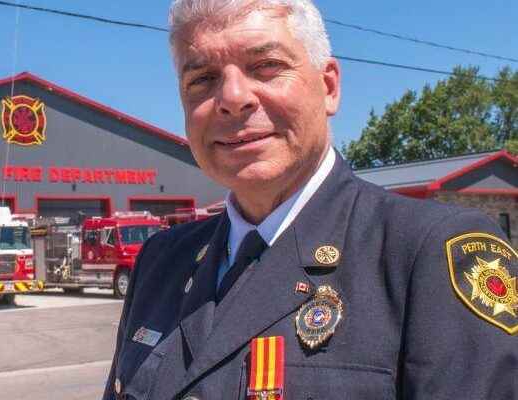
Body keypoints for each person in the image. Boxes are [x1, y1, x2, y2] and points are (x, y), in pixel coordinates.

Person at [104, 0, 518, 399]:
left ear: (329, 87)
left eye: (266, 67)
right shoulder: (161, 260)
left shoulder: (426, 252)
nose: (232, 98)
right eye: (202, 80)